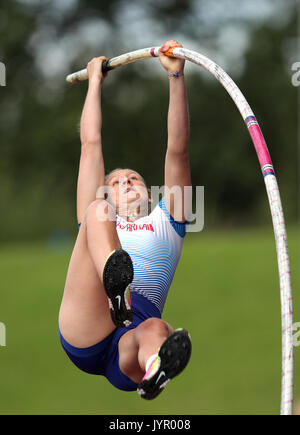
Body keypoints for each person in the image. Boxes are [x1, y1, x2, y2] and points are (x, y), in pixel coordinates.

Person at [58, 40, 192, 400]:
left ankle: (154, 371)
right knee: (94, 212)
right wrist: (94, 84)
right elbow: (91, 144)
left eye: (133, 178)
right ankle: (115, 288)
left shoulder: (169, 221)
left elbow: (177, 149)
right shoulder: (101, 210)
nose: (125, 182)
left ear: (150, 194)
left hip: (130, 338)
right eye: (115, 182)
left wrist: (175, 76)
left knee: (157, 329)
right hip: (87, 322)